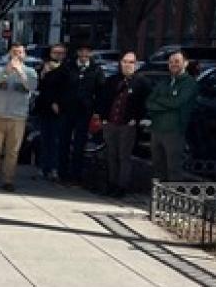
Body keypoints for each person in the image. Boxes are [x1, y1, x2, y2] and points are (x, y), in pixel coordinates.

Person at [0, 43, 38, 191]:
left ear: (24, 55)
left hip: (17, 117)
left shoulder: (30, 71)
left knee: (12, 151)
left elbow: (32, 86)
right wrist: (6, 72)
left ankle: (8, 180)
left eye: (20, 52)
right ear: (9, 54)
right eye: (14, 52)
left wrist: (21, 73)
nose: (17, 55)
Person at [96, 50, 151, 197]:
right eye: (125, 62)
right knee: (111, 155)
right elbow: (103, 100)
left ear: (136, 64)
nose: (127, 65)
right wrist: (104, 118)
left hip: (128, 125)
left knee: (124, 156)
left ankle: (122, 186)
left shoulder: (142, 82)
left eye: (131, 62)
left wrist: (136, 119)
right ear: (120, 63)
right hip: (111, 123)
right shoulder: (112, 80)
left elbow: (146, 104)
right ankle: (111, 184)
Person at [56, 44, 105, 186]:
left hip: (85, 111)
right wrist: (57, 102)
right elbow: (58, 86)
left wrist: (97, 111)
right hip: (67, 109)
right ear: (77, 52)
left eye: (87, 52)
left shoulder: (96, 69)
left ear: (90, 53)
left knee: (80, 143)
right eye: (81, 51)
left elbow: (101, 91)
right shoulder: (68, 67)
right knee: (64, 142)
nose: (84, 54)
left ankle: (76, 175)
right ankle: (62, 173)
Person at [146, 50, 197, 181]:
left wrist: (159, 101)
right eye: (171, 62)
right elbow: (149, 101)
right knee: (158, 166)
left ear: (185, 63)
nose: (173, 64)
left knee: (173, 168)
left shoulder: (189, 83)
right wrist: (164, 104)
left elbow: (177, 103)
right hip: (156, 130)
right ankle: (159, 197)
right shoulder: (165, 81)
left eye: (177, 62)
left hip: (174, 131)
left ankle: (174, 198)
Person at [34, 43, 69, 181]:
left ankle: (54, 168)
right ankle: (42, 167)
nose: (58, 55)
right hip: (45, 107)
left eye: (61, 53)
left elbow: (67, 88)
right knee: (44, 139)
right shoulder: (44, 67)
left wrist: (58, 103)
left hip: (59, 109)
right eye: (55, 52)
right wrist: (43, 73)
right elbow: (40, 87)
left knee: (56, 140)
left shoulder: (67, 69)